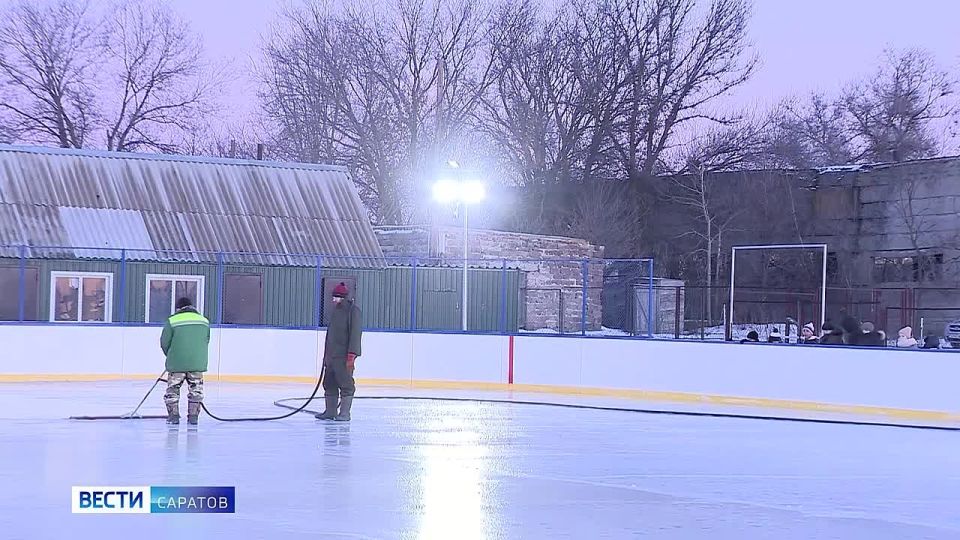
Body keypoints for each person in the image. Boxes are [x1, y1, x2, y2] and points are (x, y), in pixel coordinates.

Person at [316, 282, 363, 422]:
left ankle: (344, 413)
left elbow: (355, 334)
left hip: (343, 357)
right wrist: (326, 357)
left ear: (342, 297)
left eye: (335, 297)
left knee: (346, 384)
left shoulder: (353, 312)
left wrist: (351, 355)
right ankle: (330, 412)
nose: (333, 300)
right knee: (329, 383)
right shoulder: (336, 312)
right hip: (332, 356)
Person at [161, 297, 210, 425]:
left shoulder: (172, 320)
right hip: (197, 363)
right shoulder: (204, 321)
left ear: (178, 308)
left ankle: (173, 416)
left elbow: (164, 342)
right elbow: (206, 340)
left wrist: (172, 356)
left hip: (177, 363)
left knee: (173, 390)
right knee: (196, 391)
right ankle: (193, 417)